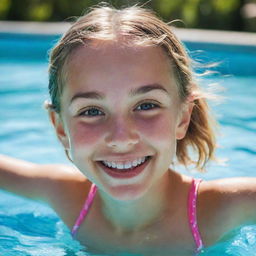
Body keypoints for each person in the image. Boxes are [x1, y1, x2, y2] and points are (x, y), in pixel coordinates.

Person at [0, 4, 256, 256]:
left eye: (146, 105)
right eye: (91, 111)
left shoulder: (223, 209)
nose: (121, 138)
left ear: (183, 117)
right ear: (60, 128)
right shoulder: (67, 197)